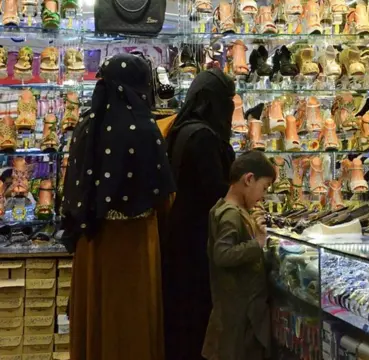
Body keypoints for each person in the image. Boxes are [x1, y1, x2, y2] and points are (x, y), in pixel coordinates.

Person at [62, 53, 176, 360]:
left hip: (94, 242)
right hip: (137, 243)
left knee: (98, 318)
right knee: (132, 323)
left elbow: (73, 191)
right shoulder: (145, 129)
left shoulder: (87, 126)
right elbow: (162, 195)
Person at [162, 68, 236, 360]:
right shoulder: (204, 137)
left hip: (181, 234)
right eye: (227, 100)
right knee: (198, 319)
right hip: (199, 240)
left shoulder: (182, 129)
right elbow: (214, 192)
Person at [202, 150, 276, 360]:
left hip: (235, 314)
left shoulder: (229, 209)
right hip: (239, 317)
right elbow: (223, 254)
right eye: (263, 188)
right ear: (249, 179)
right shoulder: (231, 214)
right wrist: (257, 244)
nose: (263, 196)